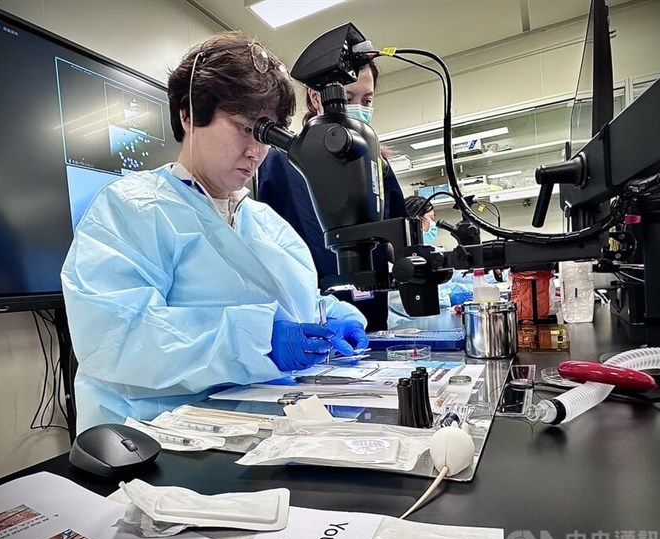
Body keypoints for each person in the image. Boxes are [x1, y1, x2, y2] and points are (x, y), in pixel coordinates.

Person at [61, 33, 369, 433]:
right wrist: (255, 341)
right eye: (244, 128)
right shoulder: (132, 209)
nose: (256, 151)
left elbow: (293, 305)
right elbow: (117, 338)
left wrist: (329, 315)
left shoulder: (266, 223)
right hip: (156, 440)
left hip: (262, 433)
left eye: (267, 134)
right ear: (189, 115)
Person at [257, 61, 406, 332]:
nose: (359, 107)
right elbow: (265, 253)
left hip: (371, 315)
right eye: (349, 98)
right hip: (311, 322)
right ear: (317, 98)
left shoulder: (377, 164)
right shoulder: (281, 163)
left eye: (367, 99)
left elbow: (398, 235)